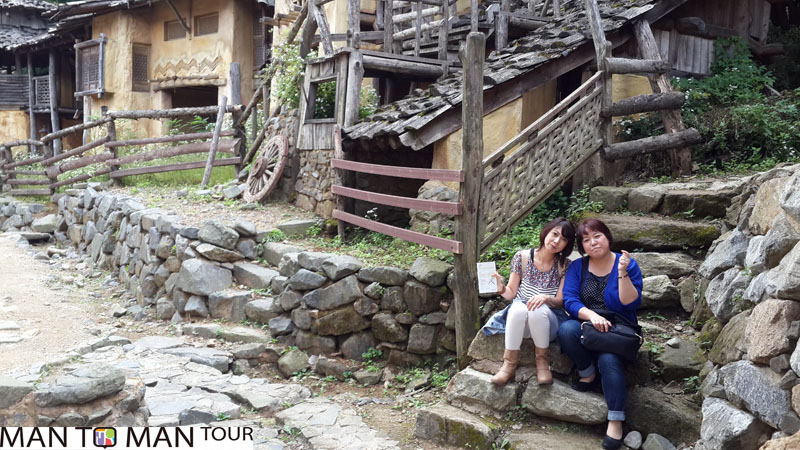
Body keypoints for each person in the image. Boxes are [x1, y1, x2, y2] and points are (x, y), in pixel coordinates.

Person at [557, 218, 643, 450]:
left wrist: (622, 272)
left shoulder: (627, 264)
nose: (593, 243)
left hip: (619, 327)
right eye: (586, 240)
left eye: (597, 236)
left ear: (607, 238)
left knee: (608, 359)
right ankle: (587, 372)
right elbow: (571, 300)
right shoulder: (578, 267)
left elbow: (630, 303)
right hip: (589, 323)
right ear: (581, 246)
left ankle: (615, 421)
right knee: (566, 329)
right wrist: (592, 316)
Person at [481, 217, 575, 386]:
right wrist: (500, 288)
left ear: (566, 245)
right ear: (546, 231)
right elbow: (511, 293)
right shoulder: (522, 257)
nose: (556, 241)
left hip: (548, 322)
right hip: (521, 321)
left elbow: (560, 302)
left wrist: (545, 298)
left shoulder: (565, 265)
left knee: (537, 309)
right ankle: (509, 365)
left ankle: (542, 363)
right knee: (517, 308)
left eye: (563, 239)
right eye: (554, 234)